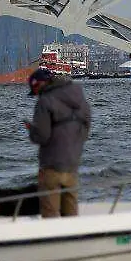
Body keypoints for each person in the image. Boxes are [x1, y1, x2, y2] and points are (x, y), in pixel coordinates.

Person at [24, 67, 91, 217]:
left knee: (50, 215)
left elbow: (42, 136)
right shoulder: (80, 99)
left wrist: (32, 130)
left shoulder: (45, 101)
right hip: (72, 166)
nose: (36, 95)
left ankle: (54, 240)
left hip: (51, 167)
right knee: (71, 215)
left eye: (35, 91)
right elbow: (85, 131)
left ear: (39, 84)